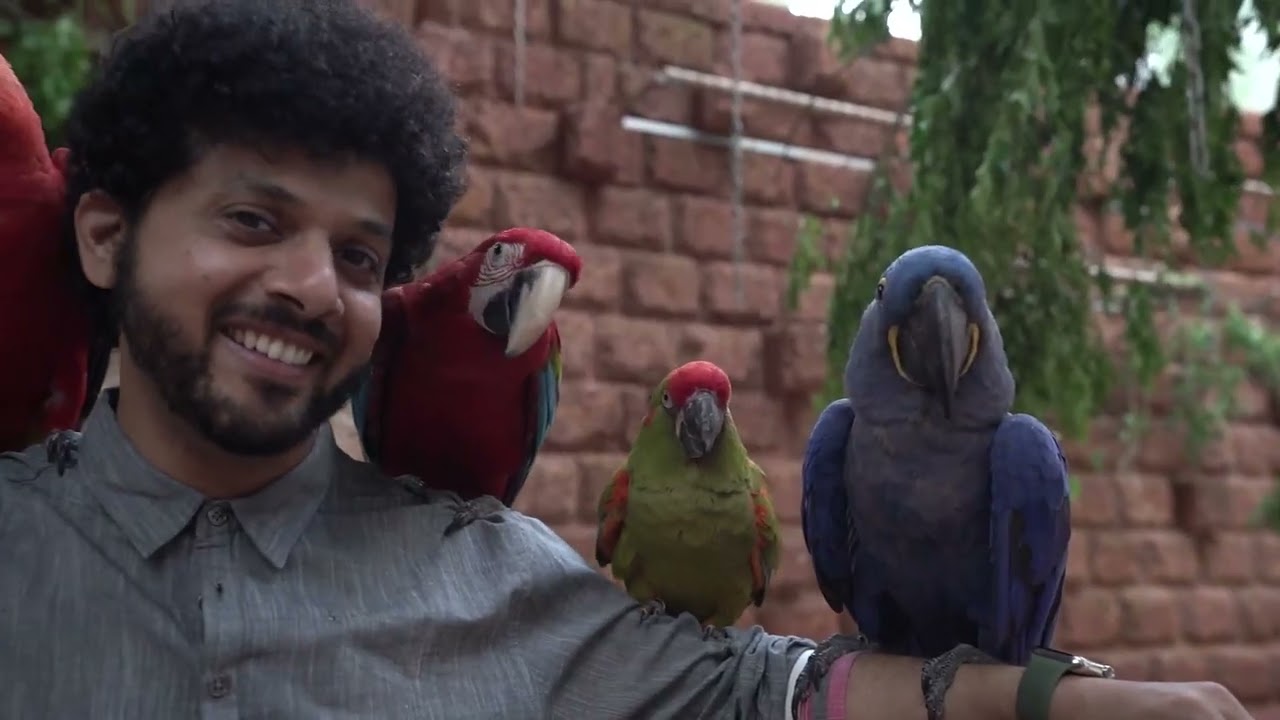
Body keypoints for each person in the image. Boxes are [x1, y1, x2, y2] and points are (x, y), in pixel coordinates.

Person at [0, 1, 1253, 718]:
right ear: (103, 235)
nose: (311, 287)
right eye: (252, 221)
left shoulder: (488, 574)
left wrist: (1066, 703)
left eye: (364, 257)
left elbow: (753, 689)